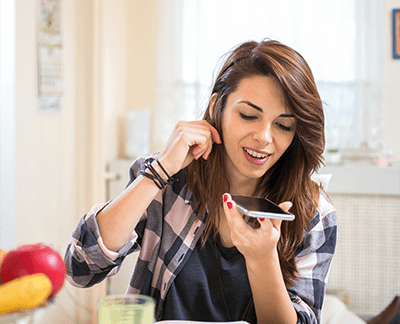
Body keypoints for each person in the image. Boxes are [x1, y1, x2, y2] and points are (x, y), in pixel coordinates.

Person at [65, 39, 337, 324]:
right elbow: (80, 268)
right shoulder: (166, 180)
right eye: (248, 115)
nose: (264, 137)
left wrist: (262, 259)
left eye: (283, 125)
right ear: (217, 106)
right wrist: (158, 172)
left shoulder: (313, 213)